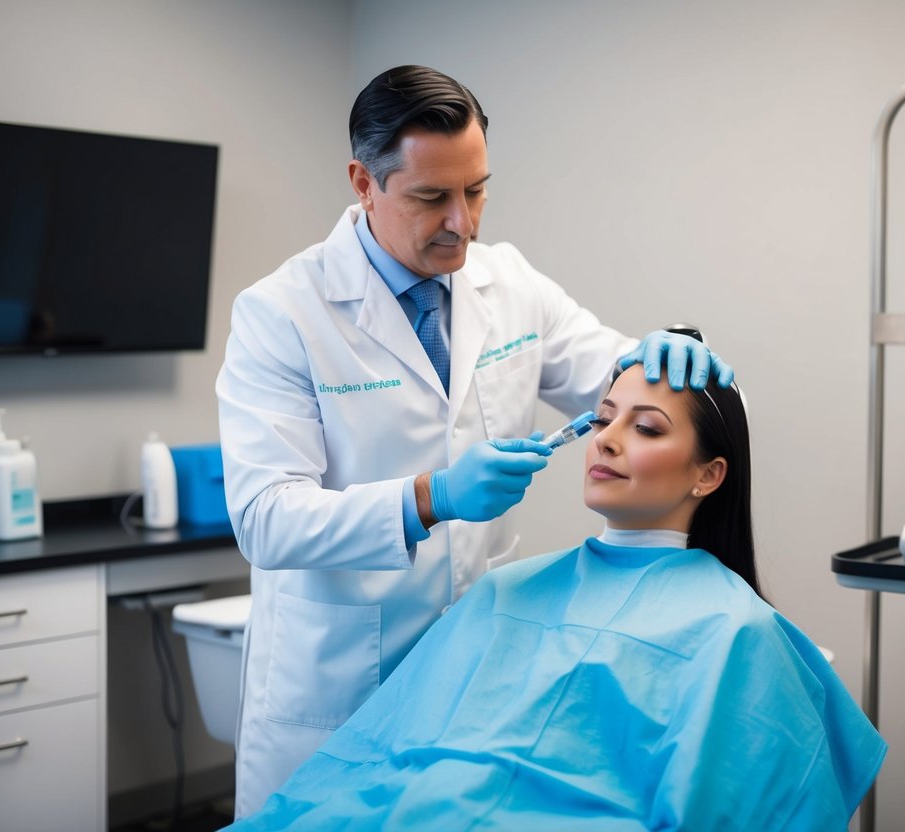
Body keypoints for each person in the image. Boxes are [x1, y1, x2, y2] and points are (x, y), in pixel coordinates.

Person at [216, 64, 735, 817]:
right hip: (340, 689)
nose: (463, 222)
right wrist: (432, 498)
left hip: (475, 684)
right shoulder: (282, 313)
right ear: (364, 182)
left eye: (476, 190)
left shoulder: (509, 283)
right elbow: (264, 518)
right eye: (431, 198)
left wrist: (673, 355)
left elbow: (618, 375)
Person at [225, 363, 887, 831]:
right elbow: (376, 759)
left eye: (647, 428)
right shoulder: (504, 590)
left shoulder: (734, 631)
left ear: (708, 474)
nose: (605, 437)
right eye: (602, 418)